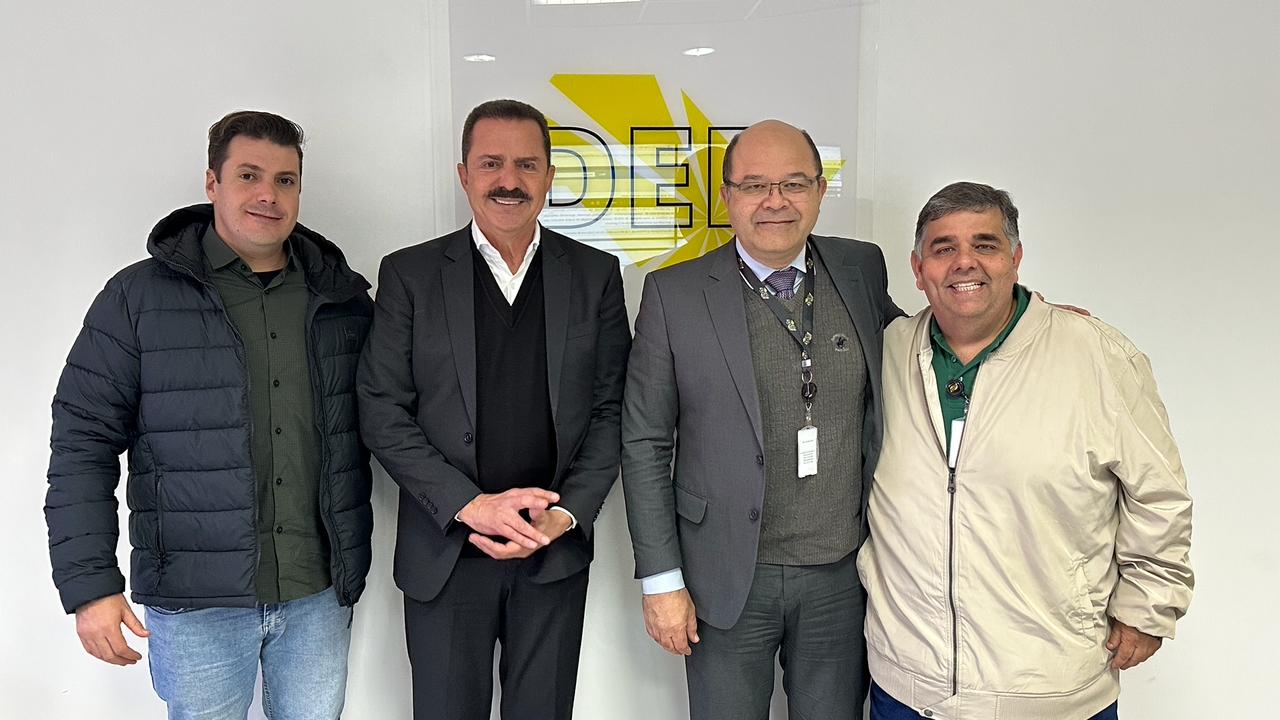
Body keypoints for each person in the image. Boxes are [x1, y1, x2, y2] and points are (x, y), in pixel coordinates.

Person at [44, 110, 375, 719]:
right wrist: (90, 586)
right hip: (195, 604)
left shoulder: (342, 301)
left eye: (285, 180)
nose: (268, 195)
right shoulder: (136, 299)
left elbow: (391, 422)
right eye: (249, 175)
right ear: (212, 183)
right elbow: (81, 446)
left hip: (317, 596)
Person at [859, 181, 1194, 720]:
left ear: (1015, 260)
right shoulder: (885, 351)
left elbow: (1158, 493)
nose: (964, 262)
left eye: (985, 245)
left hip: (1050, 690)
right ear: (918, 270)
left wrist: (1148, 606)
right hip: (908, 688)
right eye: (944, 248)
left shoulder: (1097, 355)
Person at [356, 98, 630, 720]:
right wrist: (470, 505)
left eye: (527, 164)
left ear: (549, 176)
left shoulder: (595, 275)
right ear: (464, 175)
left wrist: (566, 514)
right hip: (446, 552)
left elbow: (613, 410)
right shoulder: (410, 274)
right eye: (491, 163)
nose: (510, 180)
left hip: (552, 549)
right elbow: (381, 409)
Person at [621, 119, 901, 719]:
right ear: (727, 196)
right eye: (754, 185)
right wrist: (662, 580)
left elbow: (927, 342)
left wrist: (1023, 314)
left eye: (794, 183)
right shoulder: (674, 294)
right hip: (724, 574)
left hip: (840, 574)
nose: (775, 201)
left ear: (820, 191)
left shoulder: (861, 269)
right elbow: (644, 442)